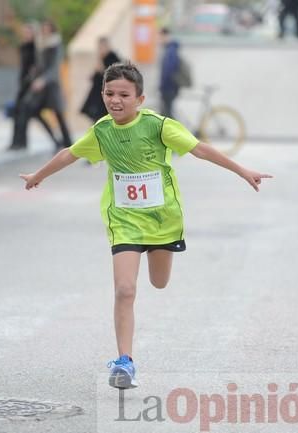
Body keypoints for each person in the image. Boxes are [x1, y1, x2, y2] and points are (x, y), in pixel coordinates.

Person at [19, 62, 272, 389]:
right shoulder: (103, 131)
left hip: (162, 220)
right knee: (125, 289)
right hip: (124, 220)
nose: (115, 100)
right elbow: (70, 153)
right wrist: (38, 176)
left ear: (140, 98)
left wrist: (242, 170)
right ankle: (125, 362)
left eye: (124, 94)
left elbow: (201, 149)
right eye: (109, 93)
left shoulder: (158, 126)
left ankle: (156, 266)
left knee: (160, 282)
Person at [10, 20, 71, 151]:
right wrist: (33, 76)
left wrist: (42, 80)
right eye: (44, 29)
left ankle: (68, 142)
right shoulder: (41, 45)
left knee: (58, 114)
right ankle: (56, 141)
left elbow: (54, 68)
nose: (45, 31)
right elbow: (39, 66)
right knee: (34, 110)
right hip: (41, 87)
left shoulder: (56, 44)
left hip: (51, 85)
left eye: (48, 29)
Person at [80, 37, 121, 122]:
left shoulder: (113, 58)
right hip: (98, 92)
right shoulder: (102, 58)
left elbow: (108, 73)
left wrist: (100, 60)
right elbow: (96, 75)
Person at [159, 27, 180, 119]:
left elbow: (168, 71)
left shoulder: (170, 51)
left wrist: (163, 85)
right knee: (166, 113)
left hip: (169, 87)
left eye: (160, 37)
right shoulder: (170, 49)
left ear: (166, 36)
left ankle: (177, 132)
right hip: (170, 87)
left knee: (167, 116)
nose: (160, 40)